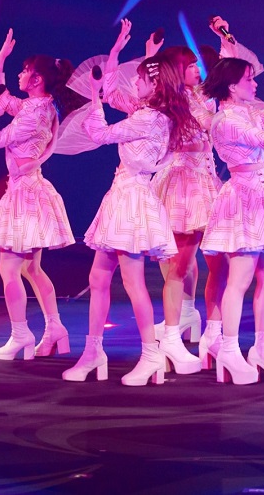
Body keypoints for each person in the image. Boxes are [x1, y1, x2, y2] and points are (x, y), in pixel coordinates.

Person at [62, 20, 200, 386]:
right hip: (122, 196)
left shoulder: (149, 119)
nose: (134, 83)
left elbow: (99, 132)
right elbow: (113, 91)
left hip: (133, 200)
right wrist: (116, 51)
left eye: (139, 79)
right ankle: (93, 352)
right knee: (98, 278)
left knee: (133, 282)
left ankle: (151, 355)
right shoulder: (149, 112)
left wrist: (93, 98)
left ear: (154, 84)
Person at [0, 28, 82, 361]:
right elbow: (3, 97)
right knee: (31, 269)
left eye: (24, 71)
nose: (20, 75)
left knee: (10, 269)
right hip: (29, 189)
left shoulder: (35, 113)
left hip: (25, 196)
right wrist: (0, 60)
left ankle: (20, 333)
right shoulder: (39, 106)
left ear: (37, 79)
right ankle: (55, 328)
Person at [199, 41, 264, 385]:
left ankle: (262, 348)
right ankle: (229, 350)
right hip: (242, 198)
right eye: (249, 79)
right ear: (233, 86)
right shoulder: (227, 120)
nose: (255, 83)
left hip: (262, 195)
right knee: (240, 279)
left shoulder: (248, 113)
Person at [148, 45, 226, 372]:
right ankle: (173, 332)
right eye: (191, 65)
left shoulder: (200, 97)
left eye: (197, 65)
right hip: (183, 186)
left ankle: (202, 324)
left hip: (206, 183)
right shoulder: (169, 102)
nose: (197, 69)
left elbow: (218, 97)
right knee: (178, 264)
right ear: (177, 71)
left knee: (216, 262)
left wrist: (225, 42)